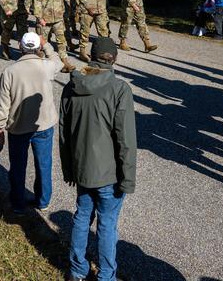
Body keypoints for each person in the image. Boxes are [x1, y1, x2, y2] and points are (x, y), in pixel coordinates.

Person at [60, 37, 137, 281]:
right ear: (114, 59)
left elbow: (64, 133)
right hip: (109, 173)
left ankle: (77, 271)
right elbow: (126, 140)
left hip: (82, 169)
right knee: (106, 224)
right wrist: (128, 178)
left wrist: (69, 170)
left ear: (91, 56)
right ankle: (106, 276)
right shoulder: (119, 89)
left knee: (82, 217)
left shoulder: (71, 86)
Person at [0, 32, 64, 214]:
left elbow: (3, 104)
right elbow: (60, 62)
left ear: (20, 46)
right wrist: (47, 44)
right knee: (44, 164)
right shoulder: (46, 66)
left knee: (18, 166)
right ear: (38, 47)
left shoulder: (9, 72)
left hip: (18, 127)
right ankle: (43, 200)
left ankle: (18, 203)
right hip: (44, 125)